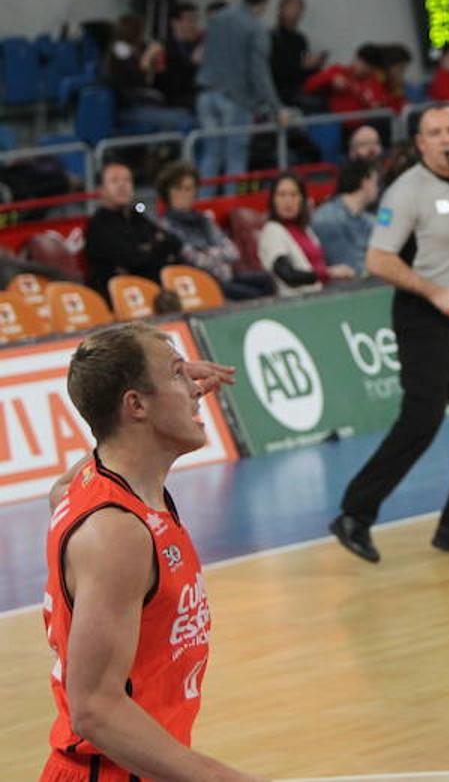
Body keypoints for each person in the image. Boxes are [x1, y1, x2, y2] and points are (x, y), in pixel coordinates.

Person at [42, 323, 265, 782]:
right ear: (136, 405)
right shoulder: (115, 533)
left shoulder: (94, 486)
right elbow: (95, 710)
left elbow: (72, 477)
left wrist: (169, 383)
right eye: (178, 376)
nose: (195, 392)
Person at [330, 105, 449, 560]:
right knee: (420, 421)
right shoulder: (405, 192)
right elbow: (378, 259)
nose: (445, 139)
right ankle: (353, 515)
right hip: (423, 315)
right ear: (421, 143)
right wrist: (435, 292)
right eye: (434, 133)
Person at [197, 0, 290, 179]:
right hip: (236, 100)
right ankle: (231, 208)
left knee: (211, 155)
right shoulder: (256, 29)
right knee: (235, 157)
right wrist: (276, 107)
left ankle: (201, 206)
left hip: (206, 95)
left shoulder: (218, 18)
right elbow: (260, 73)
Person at [155, 163, 275, 300]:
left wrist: (208, 253)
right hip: (199, 282)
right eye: (178, 188)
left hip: (225, 275)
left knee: (266, 280)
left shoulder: (204, 219)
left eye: (189, 188)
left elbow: (232, 251)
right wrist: (217, 254)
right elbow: (194, 259)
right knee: (252, 295)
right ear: (167, 192)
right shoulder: (166, 225)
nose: (184, 194)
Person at [84, 162, 182, 296]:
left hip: (152, 286)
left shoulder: (136, 215)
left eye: (127, 180)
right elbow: (133, 260)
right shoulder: (97, 226)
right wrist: (156, 246)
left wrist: (149, 249)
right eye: (114, 181)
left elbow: (174, 242)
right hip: (121, 295)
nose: (122, 186)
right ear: (101, 190)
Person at [257, 172, 356, 297]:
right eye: (282, 195)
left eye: (293, 195)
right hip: (293, 302)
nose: (288, 201)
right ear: (273, 200)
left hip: (321, 294)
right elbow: (288, 275)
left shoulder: (306, 230)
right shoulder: (272, 231)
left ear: (302, 199)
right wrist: (329, 273)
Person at [104, 13, 195, 133]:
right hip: (130, 108)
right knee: (183, 119)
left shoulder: (131, 52)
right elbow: (137, 80)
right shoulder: (121, 52)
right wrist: (147, 59)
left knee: (185, 114)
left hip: (141, 103)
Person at [311, 159, 379, 276]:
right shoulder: (327, 218)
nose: (378, 189)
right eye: (376, 183)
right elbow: (348, 267)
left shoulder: (369, 219)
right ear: (365, 183)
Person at [271, 0, 326, 110]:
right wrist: (302, 66)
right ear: (281, 9)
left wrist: (315, 64)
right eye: (292, 7)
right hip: (281, 93)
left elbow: (304, 70)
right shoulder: (272, 37)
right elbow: (276, 70)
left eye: (299, 8)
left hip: (299, 88)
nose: (296, 11)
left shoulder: (300, 39)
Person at [156, 2, 204, 111]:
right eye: (190, 20)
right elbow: (169, 86)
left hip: (199, 96)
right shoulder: (162, 48)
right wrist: (192, 64)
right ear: (175, 23)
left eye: (196, 20)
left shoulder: (197, 45)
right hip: (175, 100)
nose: (194, 25)